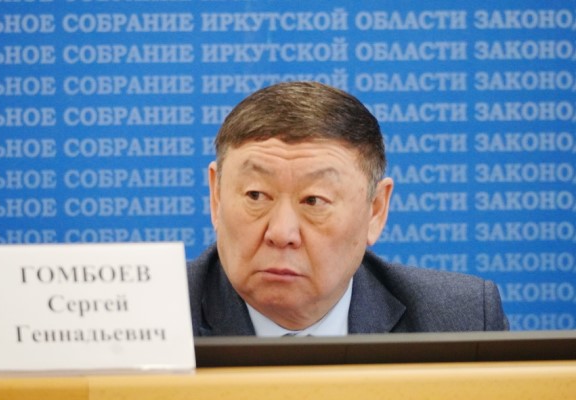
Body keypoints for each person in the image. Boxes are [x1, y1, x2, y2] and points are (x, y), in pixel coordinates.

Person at [187, 81, 508, 336]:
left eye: (313, 201)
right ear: (217, 197)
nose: (282, 233)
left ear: (376, 210)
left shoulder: (460, 322)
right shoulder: (162, 316)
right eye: (256, 195)